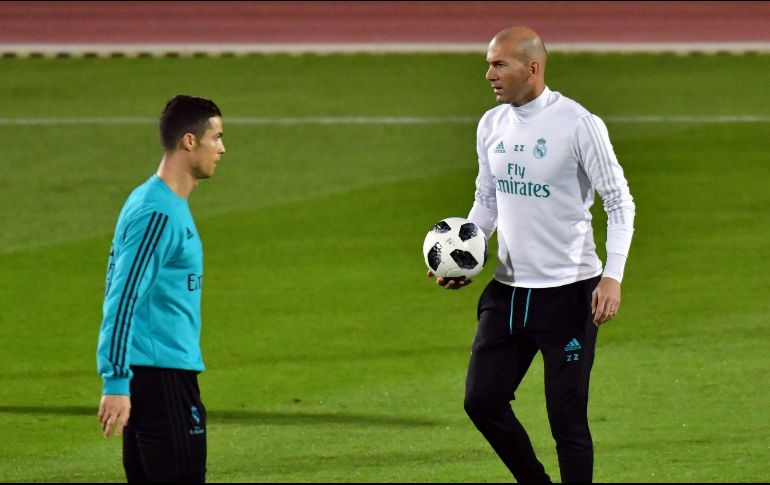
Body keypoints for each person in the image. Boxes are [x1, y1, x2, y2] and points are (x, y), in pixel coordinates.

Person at [428, 26, 635, 483]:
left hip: (569, 294)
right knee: (481, 402)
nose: (489, 74)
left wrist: (613, 276)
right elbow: (487, 201)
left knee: (567, 422)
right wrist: (468, 256)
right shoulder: (491, 125)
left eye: (500, 64)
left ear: (533, 67)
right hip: (508, 293)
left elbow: (620, 202)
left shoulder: (579, 124)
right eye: (488, 63)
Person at [96, 95, 225, 483]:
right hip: (159, 378)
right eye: (215, 137)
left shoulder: (158, 202)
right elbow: (122, 297)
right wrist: (116, 381)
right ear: (189, 141)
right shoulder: (158, 213)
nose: (221, 148)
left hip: (158, 374)